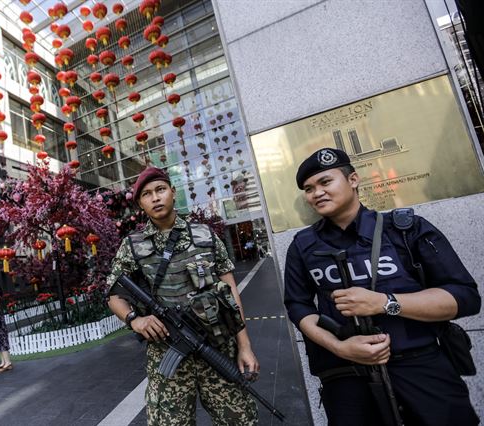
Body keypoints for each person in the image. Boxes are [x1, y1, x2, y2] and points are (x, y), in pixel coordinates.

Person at [283, 147, 481, 425]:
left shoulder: (406, 229)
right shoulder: (302, 246)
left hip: (421, 368)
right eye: (308, 188)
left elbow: (465, 297)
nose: (316, 193)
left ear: (353, 180)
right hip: (345, 376)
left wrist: (384, 302)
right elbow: (297, 305)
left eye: (325, 182)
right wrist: (340, 347)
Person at [107, 166, 259, 425]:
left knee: (240, 420)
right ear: (141, 204)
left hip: (217, 348)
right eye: (147, 194)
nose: (155, 197)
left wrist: (245, 346)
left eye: (160, 189)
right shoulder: (132, 246)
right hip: (168, 355)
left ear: (173, 192)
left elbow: (231, 292)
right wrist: (135, 320)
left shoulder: (205, 235)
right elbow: (113, 295)